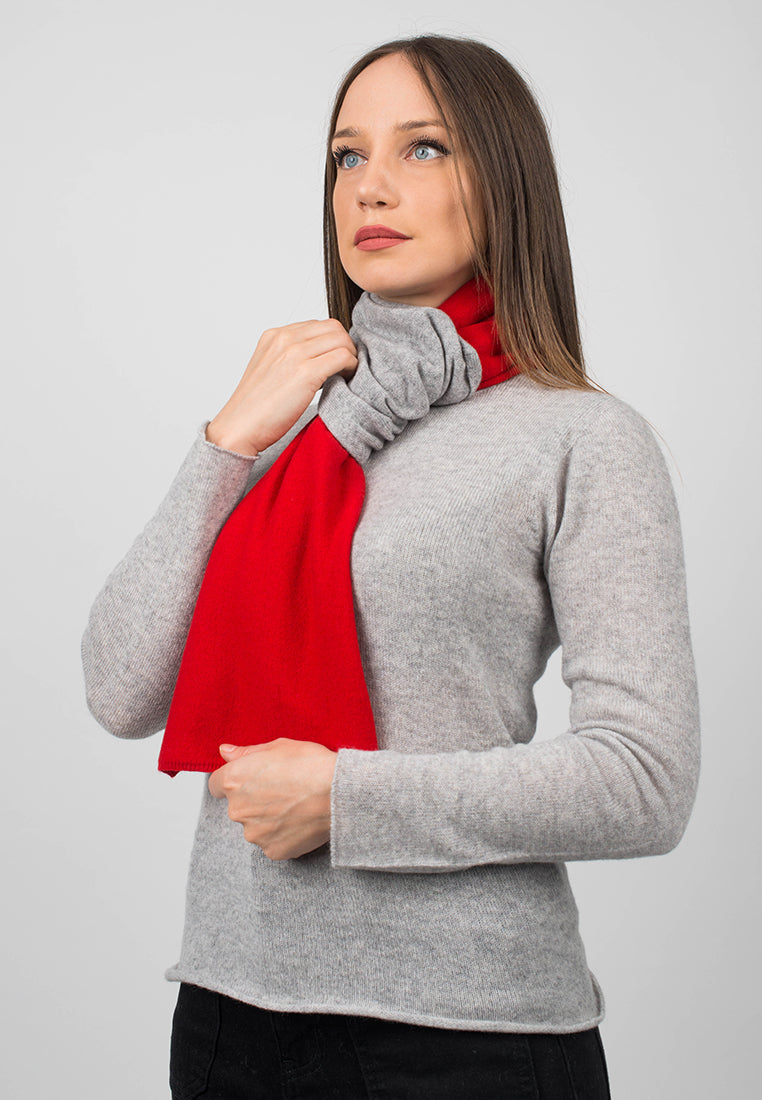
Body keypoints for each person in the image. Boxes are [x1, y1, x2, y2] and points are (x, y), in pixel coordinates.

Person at [81, 34, 700, 1099]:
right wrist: (227, 438)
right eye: (346, 155)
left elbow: (645, 779)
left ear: (501, 180)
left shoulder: (583, 438)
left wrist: (348, 798)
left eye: (423, 148)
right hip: (227, 1018)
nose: (370, 185)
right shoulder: (291, 432)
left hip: (466, 1035)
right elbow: (119, 690)